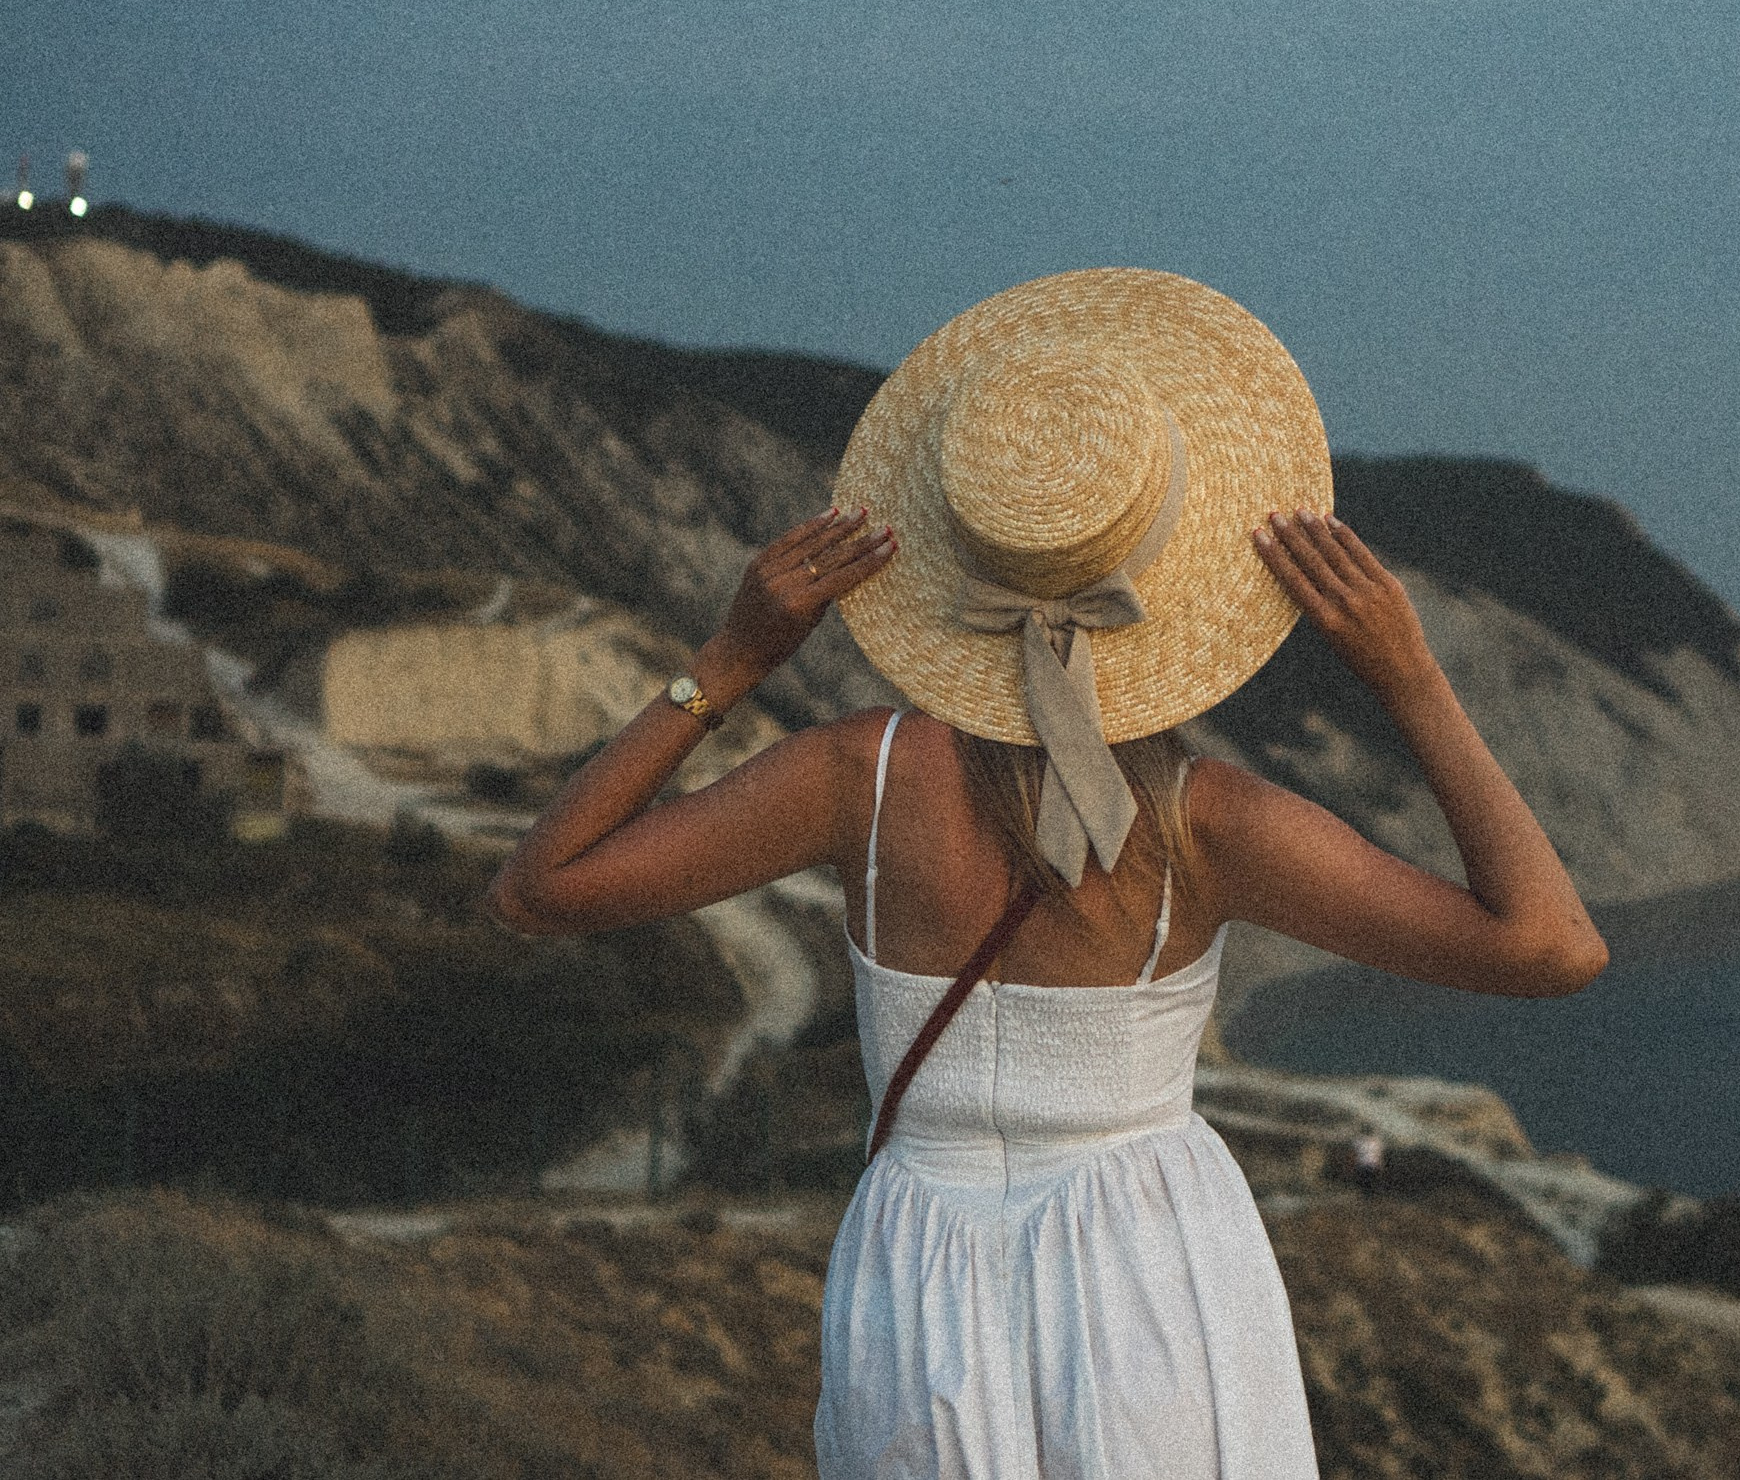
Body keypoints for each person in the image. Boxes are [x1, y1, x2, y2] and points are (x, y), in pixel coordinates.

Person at [489, 268, 1607, 1479]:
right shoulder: (1207, 824)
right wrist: (1409, 680)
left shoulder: (856, 778)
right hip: (1151, 1270)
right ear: (1179, 577)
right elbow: (1551, 948)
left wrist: (728, 659)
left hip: (919, 1278)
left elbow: (538, 890)